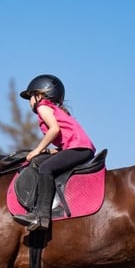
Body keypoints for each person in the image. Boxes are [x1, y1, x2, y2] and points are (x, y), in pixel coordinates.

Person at [12, 74, 96, 231]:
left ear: (40, 95)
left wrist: (36, 150)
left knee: (45, 169)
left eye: (30, 96)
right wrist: (52, 151)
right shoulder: (55, 109)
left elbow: (54, 130)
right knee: (43, 163)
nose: (30, 102)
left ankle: (40, 216)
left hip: (79, 148)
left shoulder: (42, 106)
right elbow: (65, 137)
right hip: (81, 148)